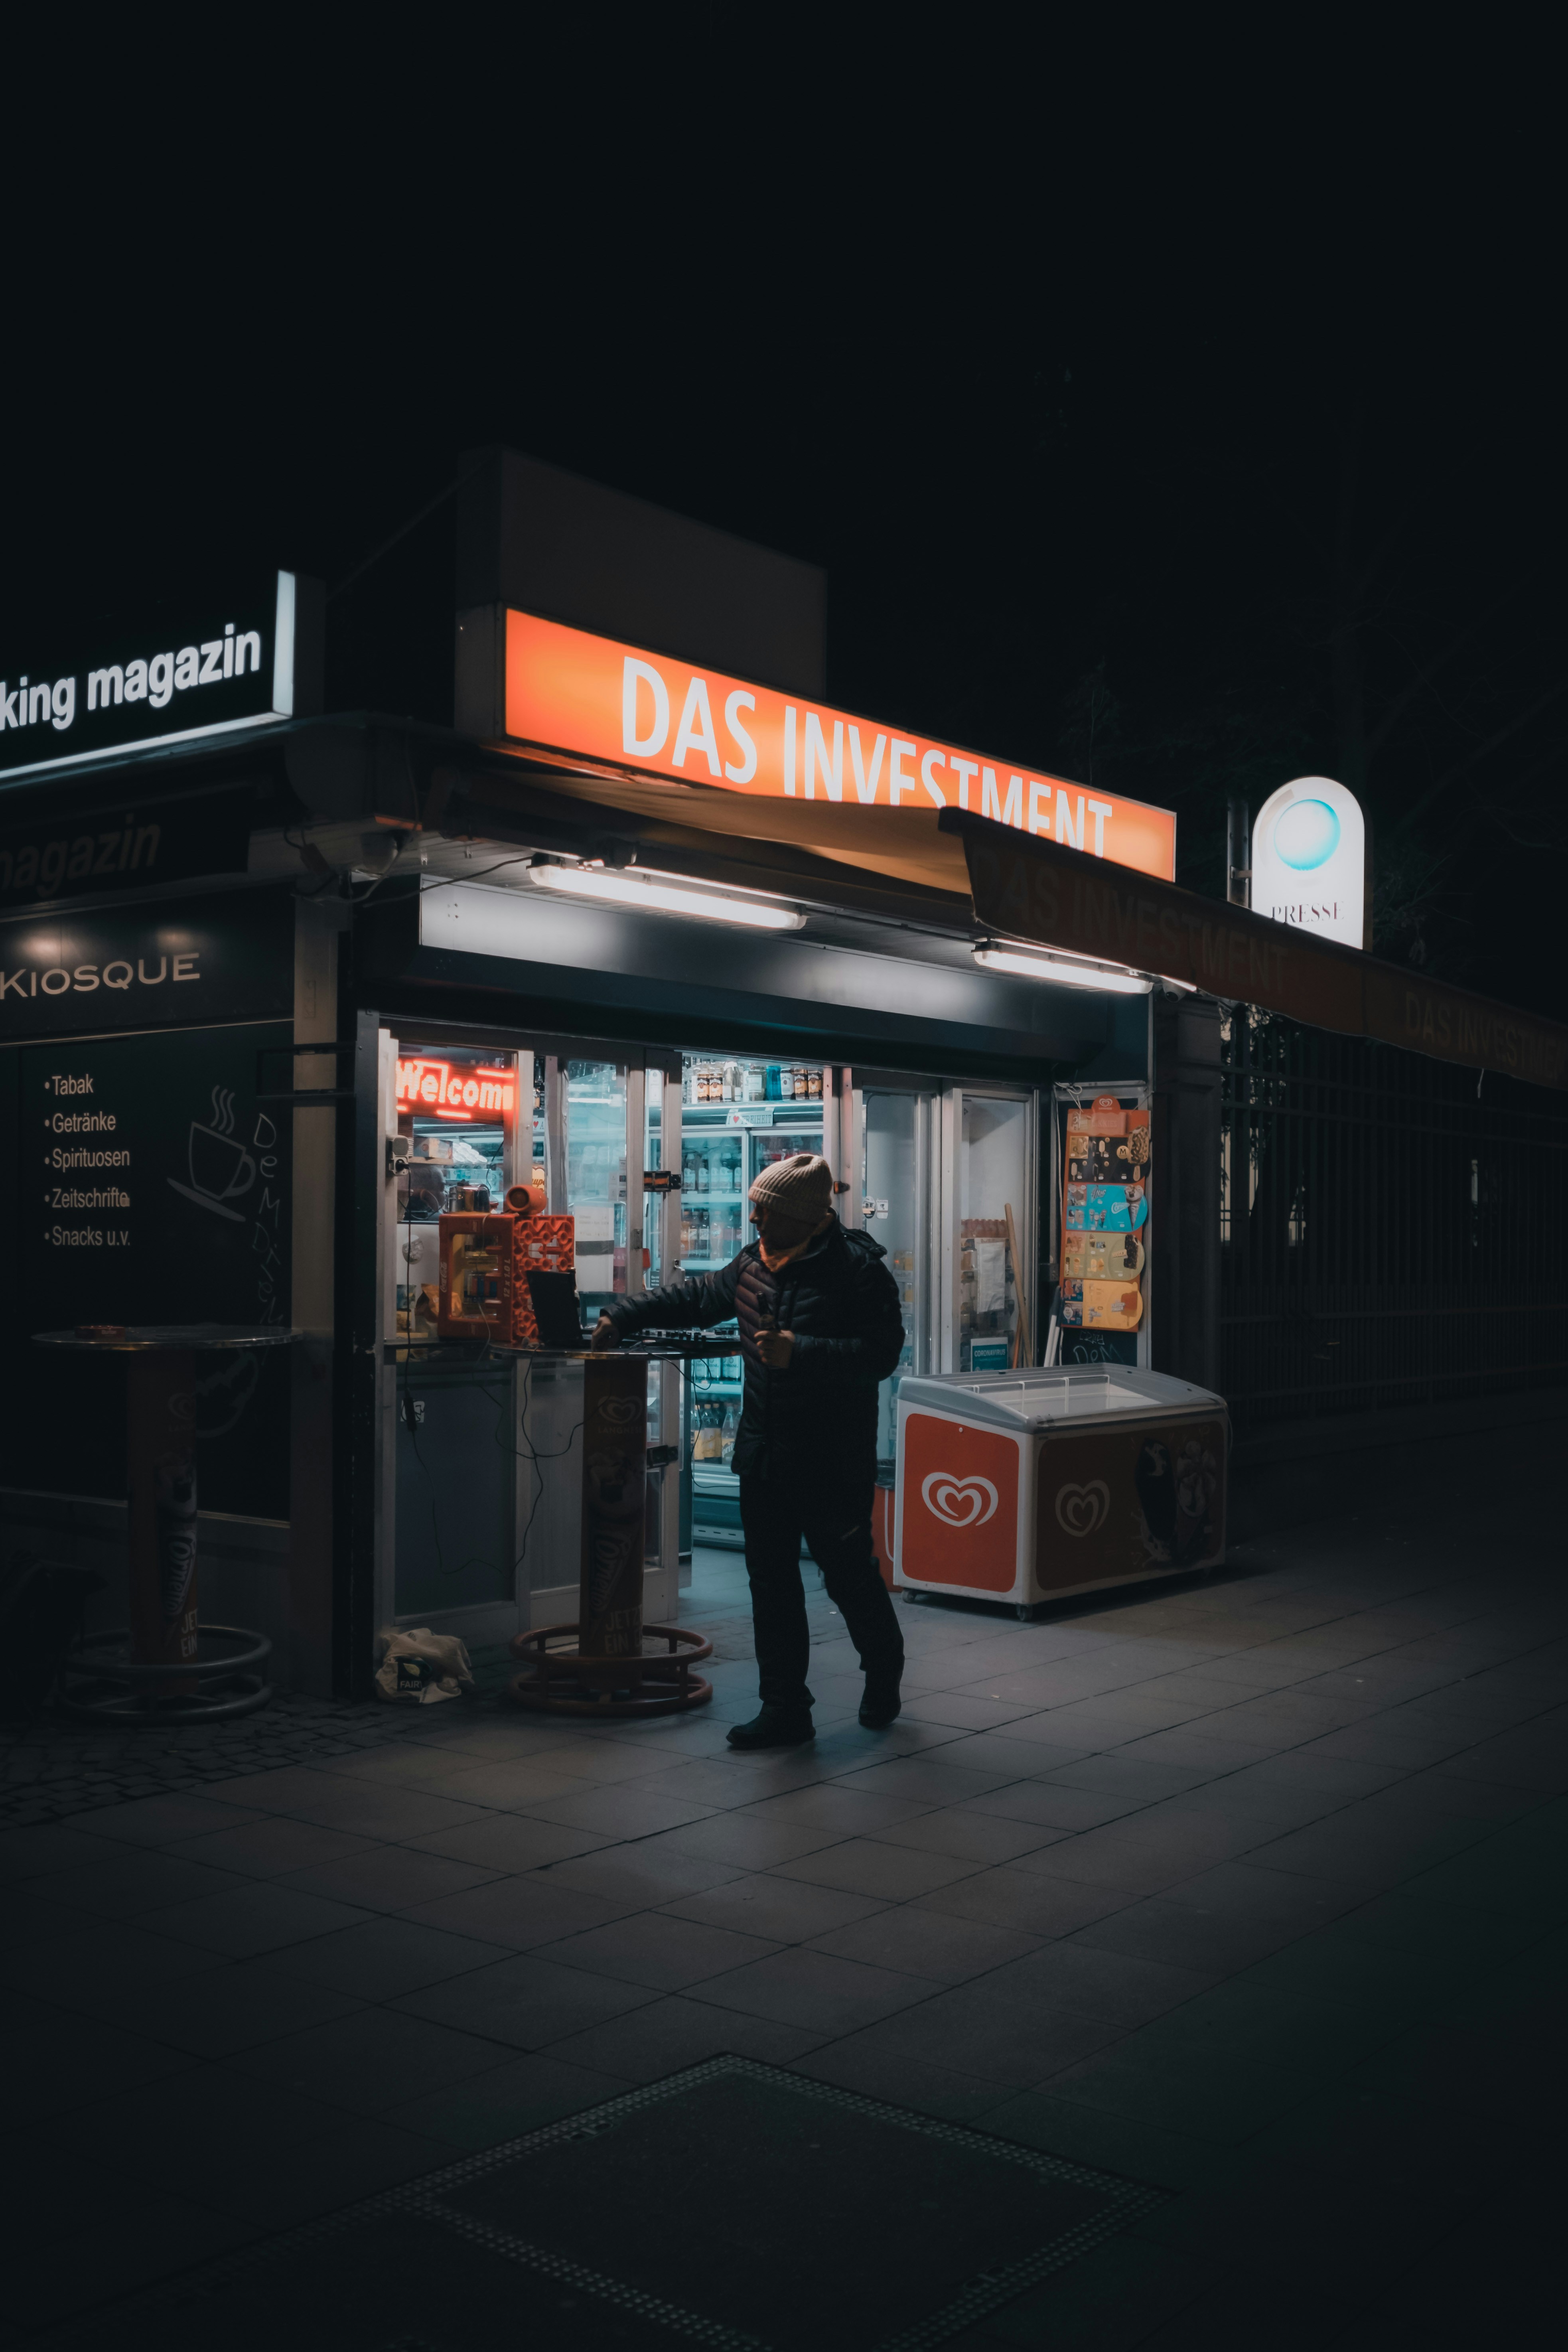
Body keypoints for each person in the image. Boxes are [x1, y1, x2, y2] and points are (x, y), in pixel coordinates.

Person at [594, 1150, 905, 1748]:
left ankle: (883, 1671)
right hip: (764, 1451)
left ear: (803, 1216)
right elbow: (696, 1298)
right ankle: (785, 1707)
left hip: (832, 1457)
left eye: (764, 1211)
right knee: (771, 1582)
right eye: (755, 1209)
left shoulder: (859, 1271)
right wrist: (623, 1314)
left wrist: (802, 1350)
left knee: (847, 1575)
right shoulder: (753, 1263)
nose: (754, 1219)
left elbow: (880, 1355)